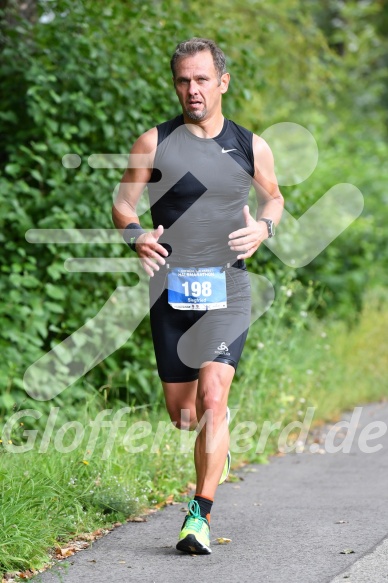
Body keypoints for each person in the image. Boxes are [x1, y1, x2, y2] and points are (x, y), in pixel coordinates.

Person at [112, 37, 284, 555]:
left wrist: (265, 231)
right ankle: (217, 442)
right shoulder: (154, 142)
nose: (193, 89)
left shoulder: (250, 145)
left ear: (222, 82)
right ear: (176, 84)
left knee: (214, 399)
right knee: (183, 414)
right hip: (171, 288)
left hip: (227, 286)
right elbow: (124, 204)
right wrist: (136, 234)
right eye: (184, 80)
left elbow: (272, 197)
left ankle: (198, 515)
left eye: (202, 79)